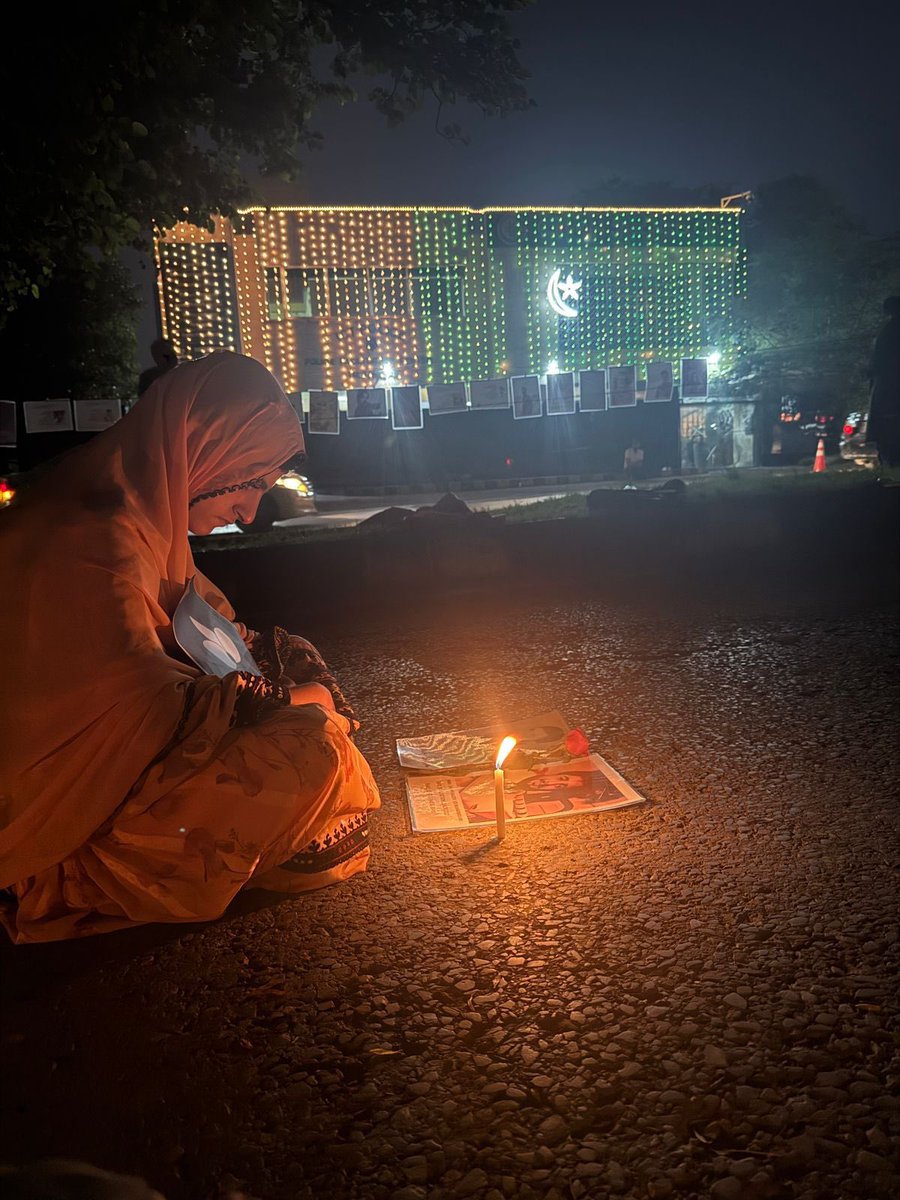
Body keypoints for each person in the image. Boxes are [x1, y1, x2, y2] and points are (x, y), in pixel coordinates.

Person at [0, 352, 380, 944]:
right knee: (314, 750)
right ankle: (98, 880)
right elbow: (149, 715)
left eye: (265, 487)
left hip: (131, 775)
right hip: (62, 829)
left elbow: (217, 631)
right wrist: (282, 698)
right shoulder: (90, 538)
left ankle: (276, 839)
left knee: (308, 721)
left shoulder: (145, 525)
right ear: (201, 447)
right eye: (250, 481)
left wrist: (280, 673)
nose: (249, 511)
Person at [867, 296, 900, 467]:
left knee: (888, 419)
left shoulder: (888, 332)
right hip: (888, 385)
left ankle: (891, 457)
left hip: (889, 387)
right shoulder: (887, 331)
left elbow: (878, 361)